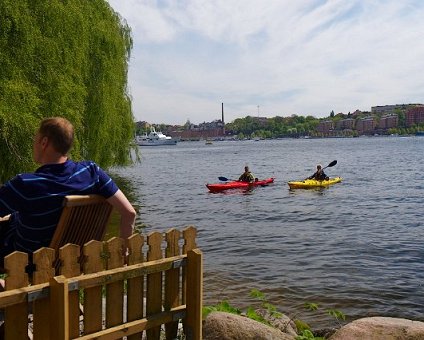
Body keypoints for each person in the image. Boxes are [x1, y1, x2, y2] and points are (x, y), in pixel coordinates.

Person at [0, 117, 136, 263]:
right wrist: (124, 252)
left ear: (44, 142)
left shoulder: (25, 184)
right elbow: (129, 213)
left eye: (35, 140)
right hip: (74, 261)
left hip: (29, 263)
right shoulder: (93, 172)